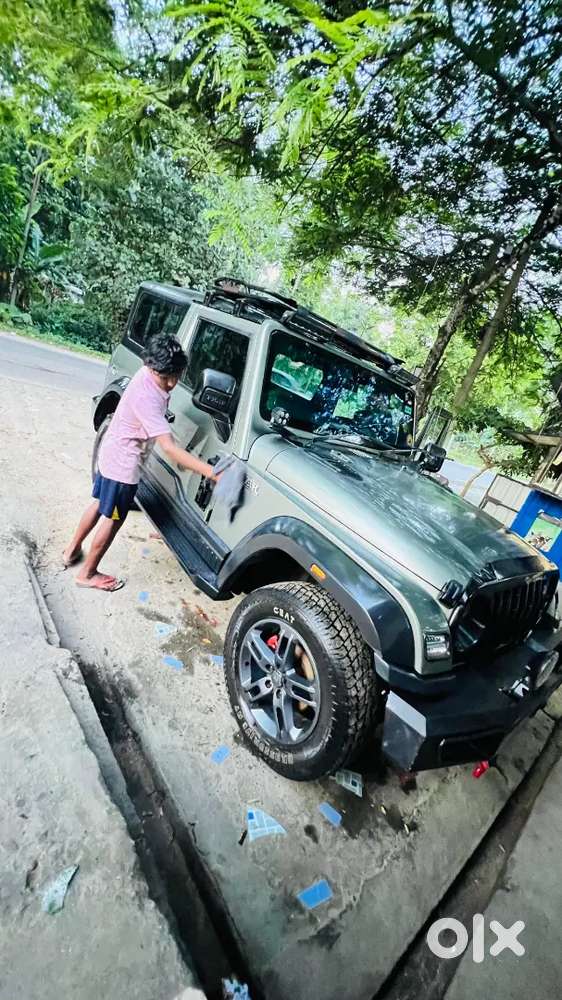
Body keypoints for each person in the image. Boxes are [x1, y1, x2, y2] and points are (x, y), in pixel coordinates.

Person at [63, 333, 218, 592]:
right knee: (113, 518)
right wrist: (211, 472)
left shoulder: (146, 371)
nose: (171, 382)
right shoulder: (148, 397)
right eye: (165, 376)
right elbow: (169, 448)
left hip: (111, 452)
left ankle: (71, 550)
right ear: (152, 367)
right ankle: (87, 573)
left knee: (100, 503)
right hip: (123, 467)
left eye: (176, 375)